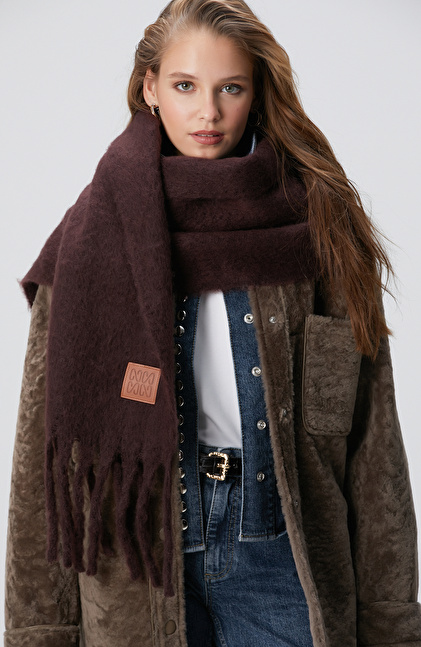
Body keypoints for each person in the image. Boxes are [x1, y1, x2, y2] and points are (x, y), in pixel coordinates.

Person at [4, 0, 421, 645]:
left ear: (257, 93)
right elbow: (45, 461)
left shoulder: (319, 229)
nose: (208, 112)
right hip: (136, 574)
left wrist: (394, 625)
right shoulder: (89, 242)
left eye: (231, 87)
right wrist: (40, 631)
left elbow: (374, 449)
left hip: (287, 565)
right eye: (184, 86)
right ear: (150, 87)